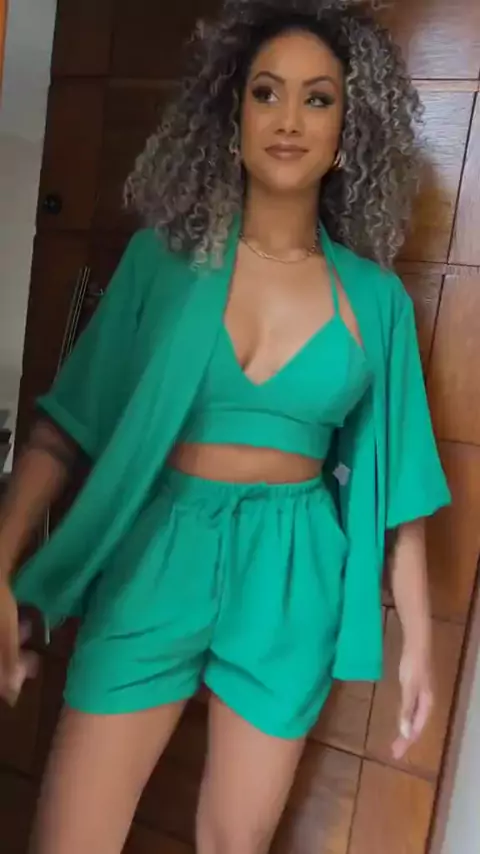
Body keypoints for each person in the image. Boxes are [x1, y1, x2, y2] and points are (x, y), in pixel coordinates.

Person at [0, 1, 451, 852]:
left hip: (293, 570)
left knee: (234, 844)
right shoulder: (162, 264)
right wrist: (2, 556)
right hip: (158, 549)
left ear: (347, 132)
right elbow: (68, 426)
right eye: (266, 92)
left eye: (318, 99)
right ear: (231, 114)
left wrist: (419, 642)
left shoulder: (377, 301)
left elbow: (397, 484)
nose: (289, 119)